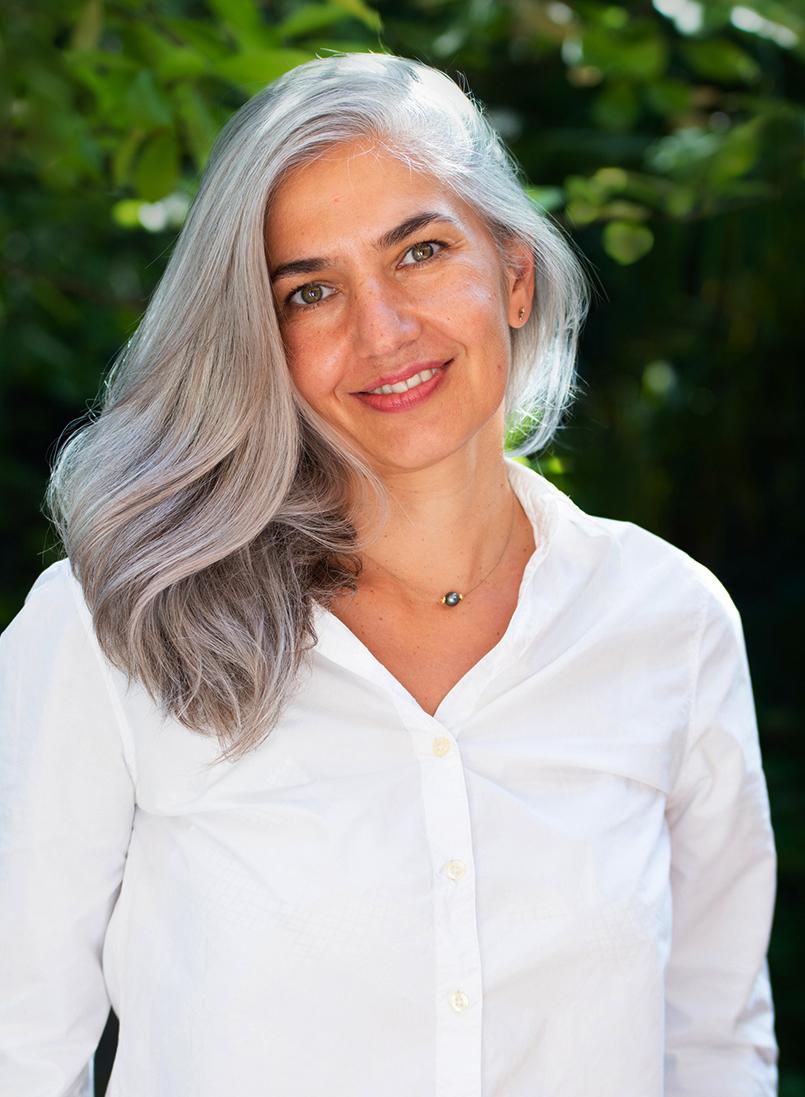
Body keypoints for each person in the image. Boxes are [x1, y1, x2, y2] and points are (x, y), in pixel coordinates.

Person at [0, 53, 776, 1096]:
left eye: (418, 251)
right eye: (310, 290)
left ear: (512, 272)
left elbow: (714, 1046)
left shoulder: (668, 622)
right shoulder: (114, 627)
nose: (382, 330)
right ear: (262, 341)